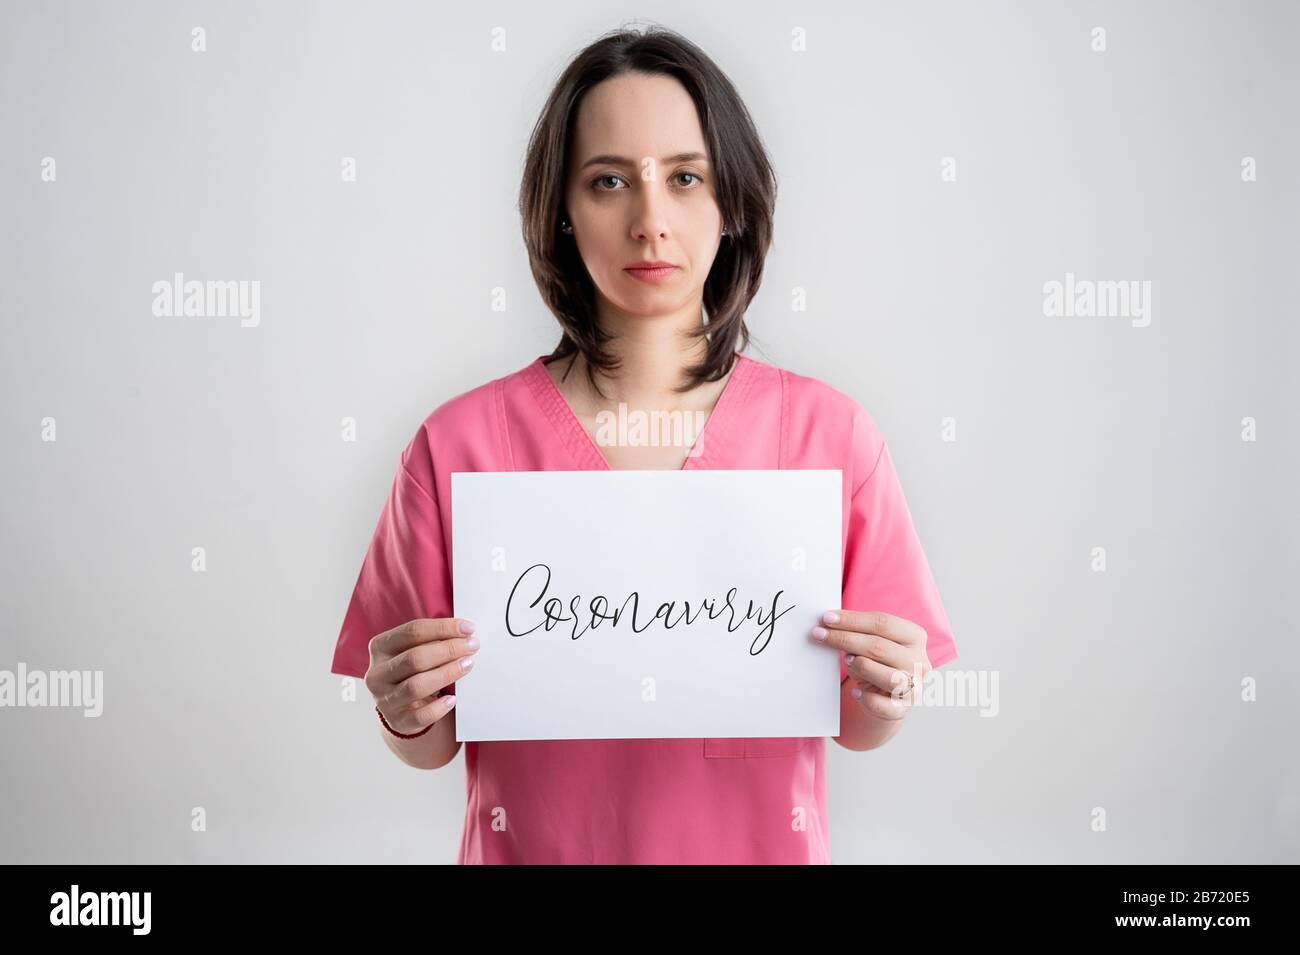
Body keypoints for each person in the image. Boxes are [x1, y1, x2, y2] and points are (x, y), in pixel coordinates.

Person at [330, 25, 958, 864]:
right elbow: (430, 741)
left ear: (732, 202)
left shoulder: (830, 437)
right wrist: (402, 708)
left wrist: (889, 691)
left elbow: (855, 722)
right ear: (560, 208)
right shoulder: (458, 447)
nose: (650, 220)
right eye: (609, 181)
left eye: (686, 177)